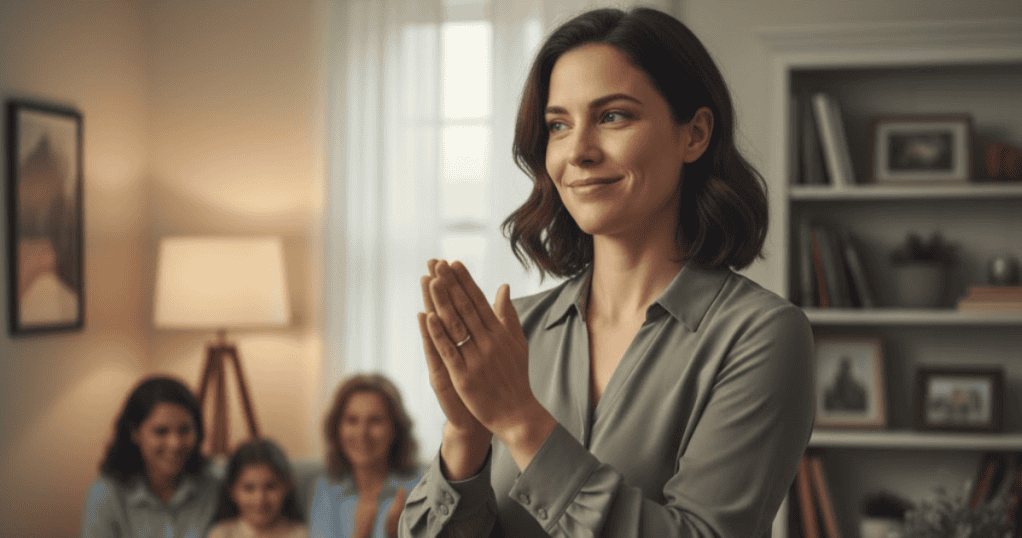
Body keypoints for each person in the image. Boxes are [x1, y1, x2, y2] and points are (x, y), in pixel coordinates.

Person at [403, 7, 815, 538]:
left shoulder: (761, 336)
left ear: (694, 135)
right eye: (558, 125)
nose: (578, 151)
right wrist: (464, 434)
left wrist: (519, 421)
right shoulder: (513, 336)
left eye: (613, 116)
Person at [80, 375, 221, 538]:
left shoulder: (215, 481)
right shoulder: (105, 494)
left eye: (184, 430)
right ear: (135, 433)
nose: (175, 444)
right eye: (161, 431)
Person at [310, 374, 423, 538]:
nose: (362, 433)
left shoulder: (423, 487)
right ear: (336, 428)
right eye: (352, 420)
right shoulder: (325, 489)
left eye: (375, 420)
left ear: (396, 428)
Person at [208, 438, 307, 538]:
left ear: (287, 486)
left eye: (270, 487)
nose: (260, 499)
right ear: (232, 491)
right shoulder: (221, 534)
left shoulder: (301, 533)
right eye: (249, 488)